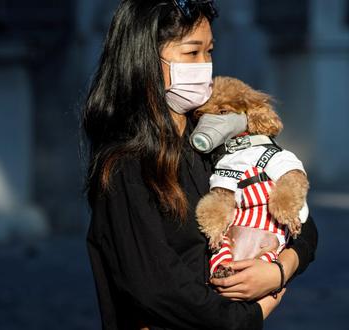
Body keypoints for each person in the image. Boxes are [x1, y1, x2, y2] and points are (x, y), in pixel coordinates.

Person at [81, 1, 318, 329]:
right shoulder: (123, 164)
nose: (204, 66)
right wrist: (250, 316)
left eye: (209, 52)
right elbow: (155, 287)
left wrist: (281, 269)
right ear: (145, 59)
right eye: (192, 53)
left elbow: (299, 218)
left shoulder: (221, 140)